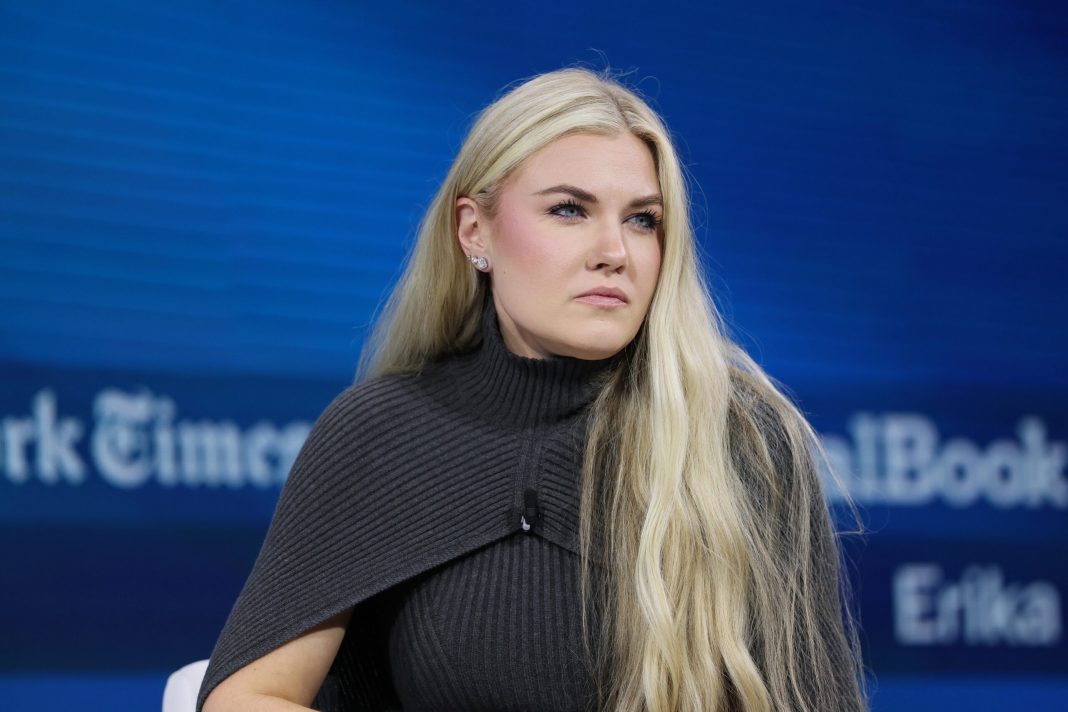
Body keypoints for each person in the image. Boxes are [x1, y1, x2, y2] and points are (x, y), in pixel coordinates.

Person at [197, 66, 867, 712]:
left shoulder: (740, 439)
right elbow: (243, 698)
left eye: (642, 220)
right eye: (570, 210)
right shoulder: (381, 433)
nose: (615, 250)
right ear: (474, 231)